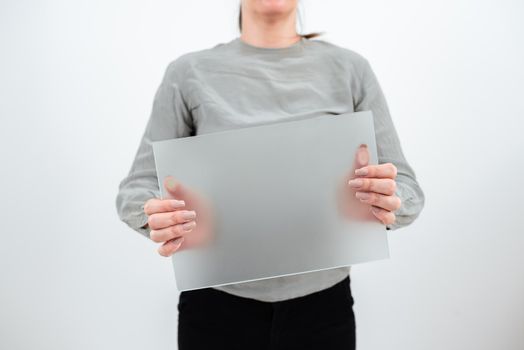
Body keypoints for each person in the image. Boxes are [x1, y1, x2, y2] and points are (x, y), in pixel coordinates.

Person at [115, 0, 425, 349]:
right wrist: (153, 214)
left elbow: (407, 189)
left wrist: (388, 200)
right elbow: (136, 188)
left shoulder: (350, 69)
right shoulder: (188, 73)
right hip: (214, 309)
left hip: (323, 307)